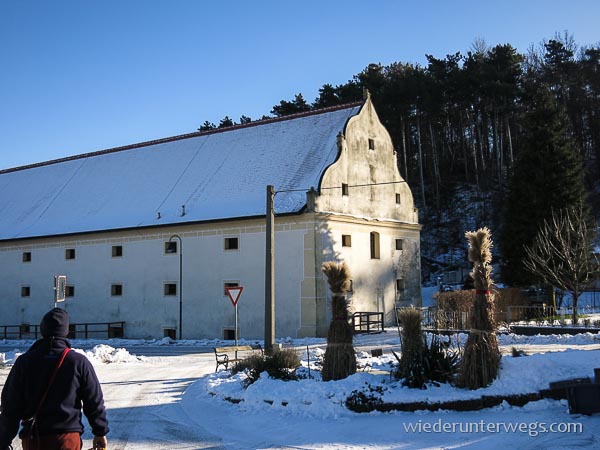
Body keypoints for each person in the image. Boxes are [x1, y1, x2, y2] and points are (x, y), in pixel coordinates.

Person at [0, 308, 109, 450]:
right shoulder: (78, 362)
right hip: (67, 440)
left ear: (42, 330)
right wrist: (100, 432)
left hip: (34, 439)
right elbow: (94, 401)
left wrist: (4, 439)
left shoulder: (24, 362)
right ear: (66, 331)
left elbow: (10, 405)